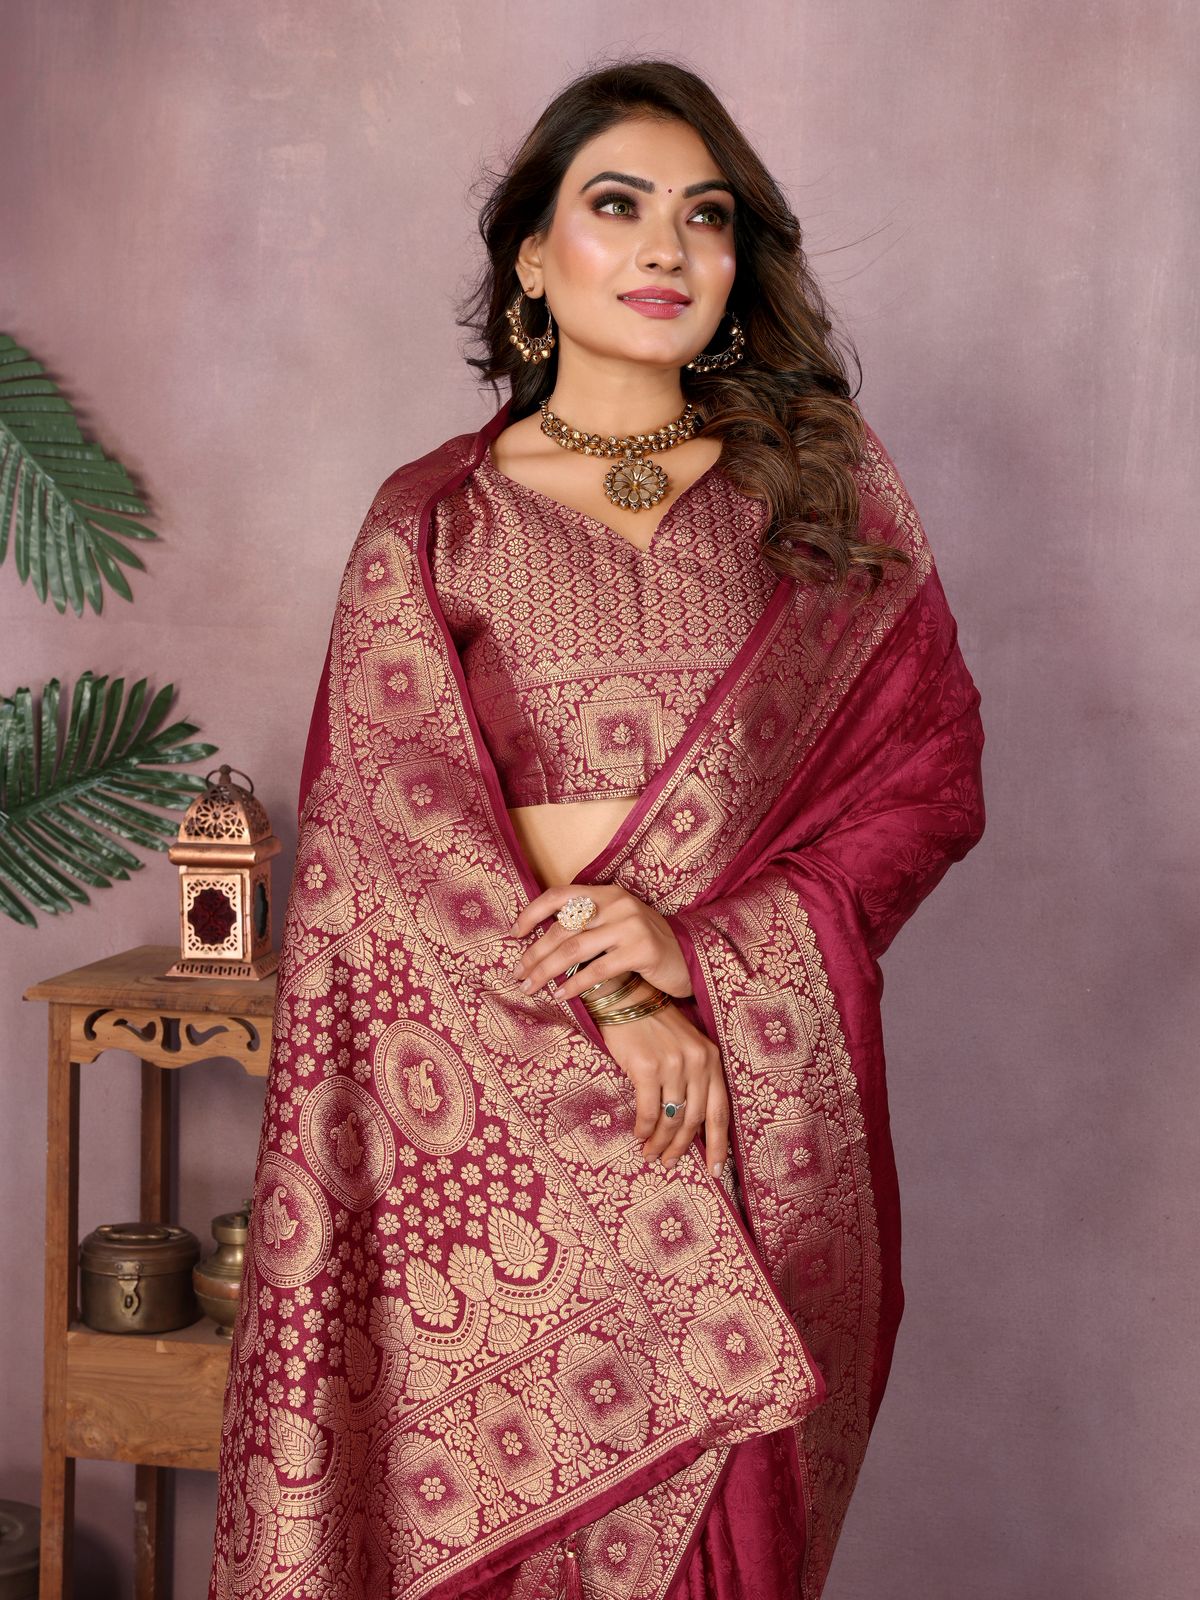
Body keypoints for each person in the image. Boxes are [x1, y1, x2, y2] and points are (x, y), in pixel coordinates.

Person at [209, 58, 986, 1600]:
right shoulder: (436, 521)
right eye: (617, 205)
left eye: (707, 216)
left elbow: (928, 778)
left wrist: (707, 956)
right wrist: (626, 1004)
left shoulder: (817, 503)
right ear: (530, 260)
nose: (666, 248)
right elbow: (383, 861)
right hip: (505, 1144)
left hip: (737, 1119)